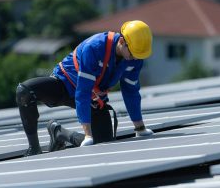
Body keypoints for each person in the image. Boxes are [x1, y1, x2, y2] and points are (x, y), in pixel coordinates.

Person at [16, 20, 154, 156]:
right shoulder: (94, 48)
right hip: (65, 85)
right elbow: (83, 92)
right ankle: (34, 149)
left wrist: (140, 128)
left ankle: (59, 133)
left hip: (93, 99)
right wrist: (88, 134)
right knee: (25, 92)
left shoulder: (135, 58)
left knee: (103, 146)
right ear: (122, 42)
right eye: (133, 53)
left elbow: (131, 92)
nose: (135, 58)